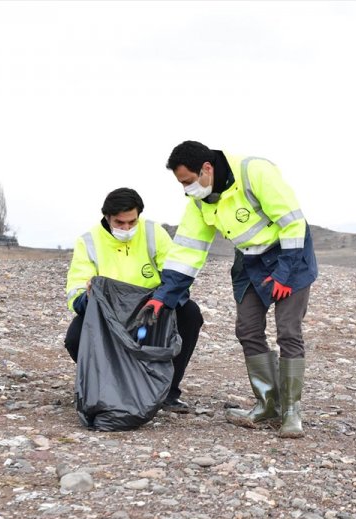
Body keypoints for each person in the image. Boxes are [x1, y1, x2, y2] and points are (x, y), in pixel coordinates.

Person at [132, 141, 317, 438]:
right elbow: (188, 251)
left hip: (289, 255)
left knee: (288, 332)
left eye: (188, 182)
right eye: (181, 184)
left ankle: (292, 412)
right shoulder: (200, 201)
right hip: (250, 262)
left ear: (206, 169)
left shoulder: (255, 171)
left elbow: (293, 223)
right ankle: (268, 404)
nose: (186, 190)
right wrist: (162, 298)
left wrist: (285, 273)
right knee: (247, 330)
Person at [64, 187, 203, 411]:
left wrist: (162, 301)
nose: (127, 228)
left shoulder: (153, 231)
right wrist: (88, 296)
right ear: (107, 217)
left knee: (190, 314)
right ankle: (113, 387)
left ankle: (167, 392)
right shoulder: (88, 241)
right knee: (75, 338)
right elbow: (75, 292)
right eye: (119, 223)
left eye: (132, 222)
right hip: (108, 313)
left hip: (150, 308)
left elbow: (173, 273)